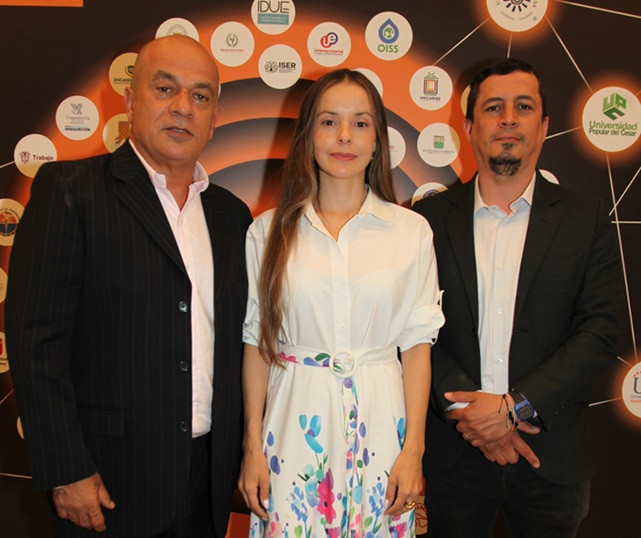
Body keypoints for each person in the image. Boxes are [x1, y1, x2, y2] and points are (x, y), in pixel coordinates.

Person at [5, 35, 252, 537]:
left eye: (200, 95)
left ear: (215, 117)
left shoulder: (232, 215)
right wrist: (66, 468)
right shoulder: (70, 192)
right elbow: (35, 345)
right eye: (165, 88)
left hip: (208, 482)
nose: (182, 107)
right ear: (130, 100)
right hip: (105, 483)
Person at [413, 58, 623, 537]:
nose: (508, 119)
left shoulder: (585, 219)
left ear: (544, 126)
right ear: (469, 128)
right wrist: (471, 416)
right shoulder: (427, 221)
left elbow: (599, 332)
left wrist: (515, 408)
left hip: (551, 456)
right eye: (493, 107)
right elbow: (414, 330)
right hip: (455, 453)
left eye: (523, 107)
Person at [237, 68, 445, 536]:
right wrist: (252, 446)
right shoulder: (267, 232)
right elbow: (257, 343)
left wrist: (413, 449)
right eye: (329, 122)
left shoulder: (411, 232)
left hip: (382, 429)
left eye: (361, 123)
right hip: (293, 429)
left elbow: (416, 347)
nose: (345, 136)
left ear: (378, 141)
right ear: (307, 136)